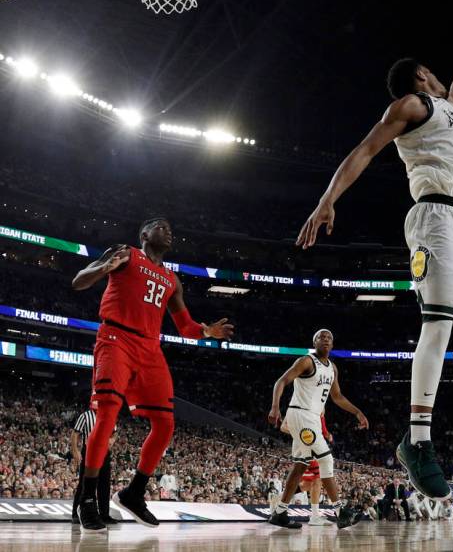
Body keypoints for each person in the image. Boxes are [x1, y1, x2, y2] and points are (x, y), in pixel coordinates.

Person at [296, 34, 453, 499]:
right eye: (431, 73)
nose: (443, 80)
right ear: (420, 77)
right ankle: (417, 439)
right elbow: (364, 149)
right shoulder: (408, 105)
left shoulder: (448, 107)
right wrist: (326, 201)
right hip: (436, 216)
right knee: (439, 325)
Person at [71, 217, 233, 531]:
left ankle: (134, 492)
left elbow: (184, 326)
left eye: (171, 228)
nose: (168, 230)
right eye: (160, 226)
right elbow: (79, 281)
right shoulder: (125, 253)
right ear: (144, 234)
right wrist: (103, 269)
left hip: (150, 349)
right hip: (116, 338)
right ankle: (88, 498)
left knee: (165, 423)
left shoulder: (172, 279)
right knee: (107, 414)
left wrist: (207, 331)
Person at [267, 329, 369, 529]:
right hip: (301, 414)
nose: (325, 339)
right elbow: (282, 381)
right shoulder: (306, 361)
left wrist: (357, 412)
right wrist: (275, 406)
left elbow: (337, 397)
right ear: (314, 342)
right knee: (326, 458)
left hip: (312, 417)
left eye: (329, 337)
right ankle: (340, 512)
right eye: (321, 337)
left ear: (332, 344)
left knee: (300, 466)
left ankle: (279, 512)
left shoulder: (332, 368)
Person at [71, 408, 117, 525]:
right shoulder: (85, 415)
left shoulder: (109, 414)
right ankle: (76, 514)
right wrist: (75, 450)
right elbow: (75, 433)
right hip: (89, 450)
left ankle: (104, 515)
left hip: (104, 450)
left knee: (104, 483)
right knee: (84, 482)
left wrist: (112, 439)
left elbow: (115, 432)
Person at [297, 413, 333, 526]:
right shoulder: (301, 407)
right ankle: (315, 516)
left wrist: (326, 433)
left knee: (307, 485)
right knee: (317, 479)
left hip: (316, 445)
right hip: (306, 446)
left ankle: (279, 498)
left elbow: (321, 422)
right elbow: (284, 426)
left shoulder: (319, 403)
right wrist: (305, 434)